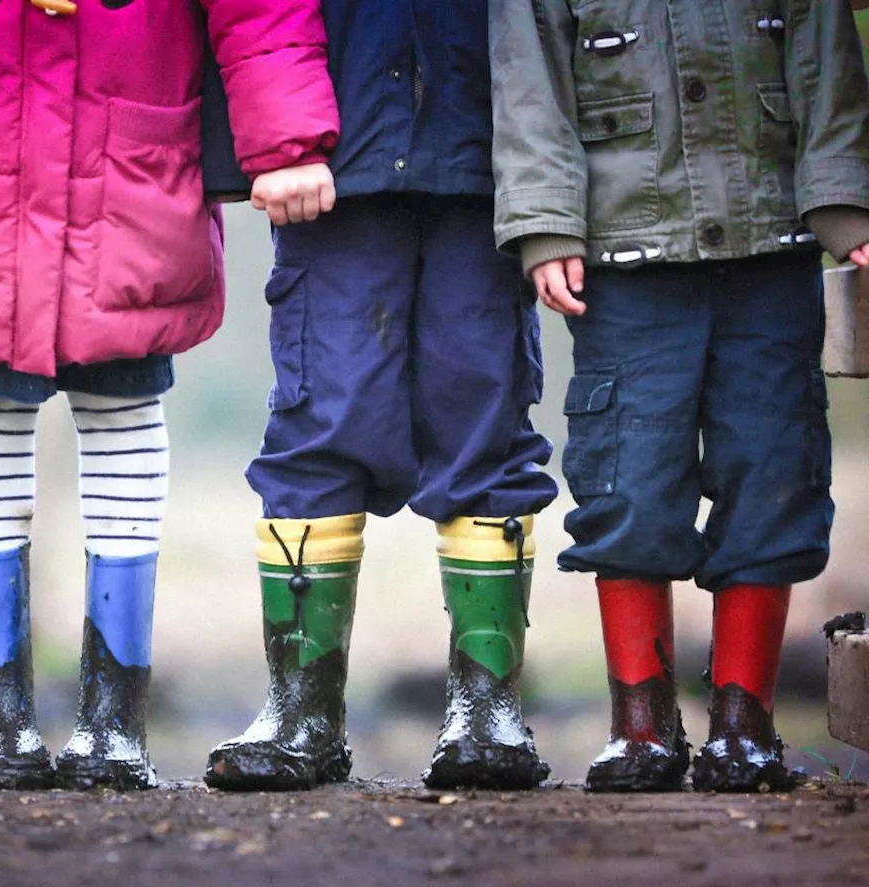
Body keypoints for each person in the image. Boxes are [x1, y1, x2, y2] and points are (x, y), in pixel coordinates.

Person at [0, 0, 340, 791]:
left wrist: (286, 139)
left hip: (127, 170)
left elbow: (263, 12)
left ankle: (114, 721)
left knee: (120, 415)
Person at [491, 0, 869, 792]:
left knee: (773, 470)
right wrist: (547, 226)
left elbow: (827, 58)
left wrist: (844, 201)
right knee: (627, 480)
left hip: (773, 241)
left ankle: (745, 723)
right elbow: (531, 91)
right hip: (620, 261)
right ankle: (640, 724)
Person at [203, 0, 560, 792]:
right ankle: (302, 711)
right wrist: (277, 135)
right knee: (321, 420)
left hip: (494, 158)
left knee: (486, 421)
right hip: (329, 161)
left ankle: (487, 706)